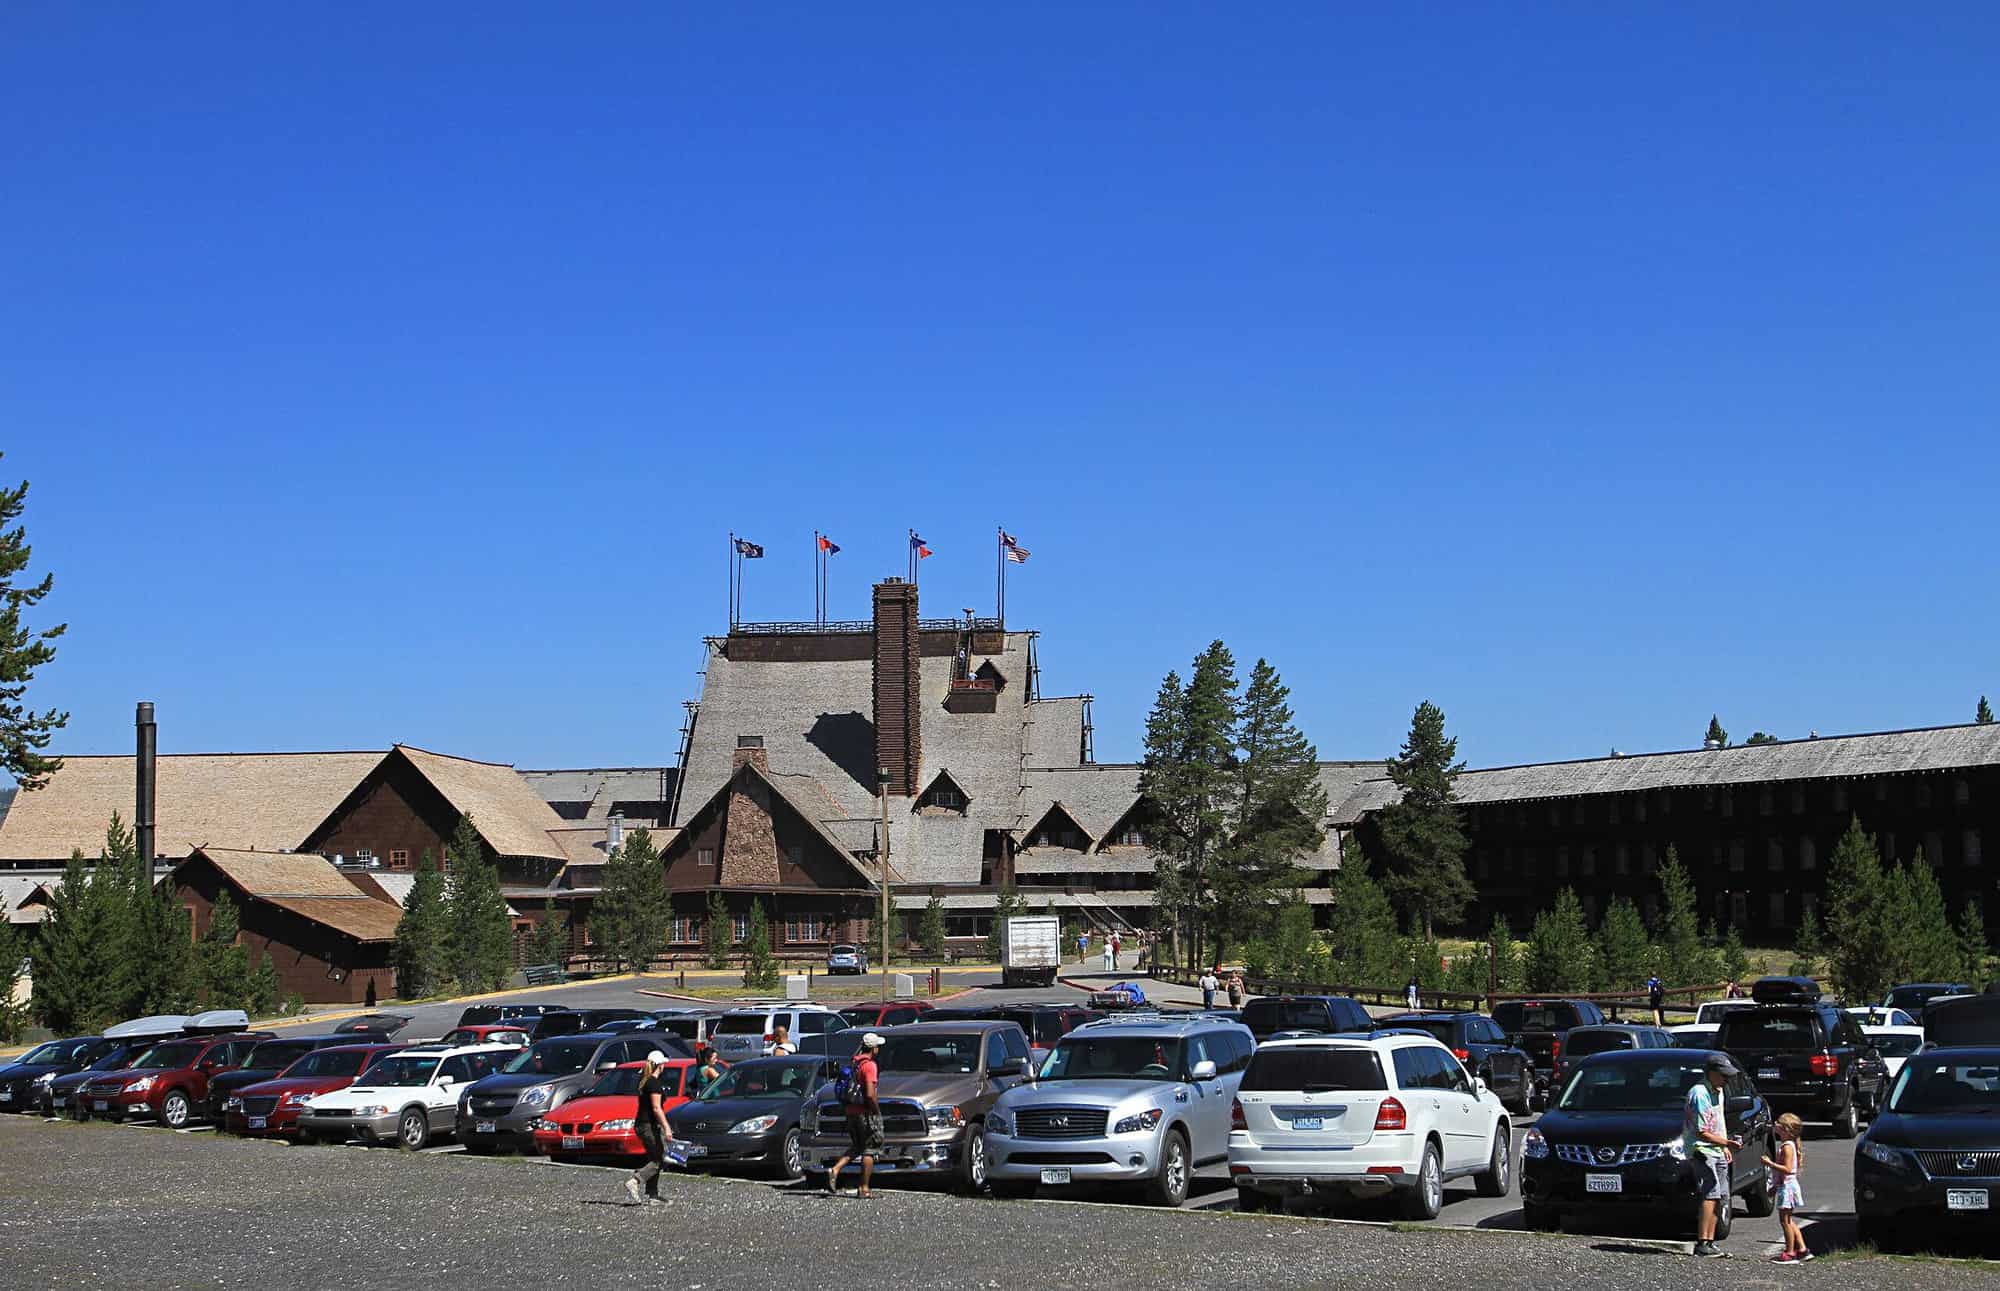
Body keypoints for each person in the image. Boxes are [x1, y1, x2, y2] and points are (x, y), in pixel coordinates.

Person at [1685, 1055, 1744, 1258]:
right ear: (1711, 1073)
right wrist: (1726, 1143)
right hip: (1702, 1149)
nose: (1727, 1080)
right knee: (1710, 1193)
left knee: (1721, 1195)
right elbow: (1701, 1131)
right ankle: (1702, 1242)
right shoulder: (1699, 1094)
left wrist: (1724, 1145)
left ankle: (1710, 1242)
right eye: (1723, 1075)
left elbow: (1718, 1121)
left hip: (1716, 1148)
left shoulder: (1718, 1091)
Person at [826, 1032, 883, 1199]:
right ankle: (864, 1188)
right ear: (873, 1048)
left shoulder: (854, 1063)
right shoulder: (869, 1065)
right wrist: (875, 1110)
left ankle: (835, 1169)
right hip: (865, 1112)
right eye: (877, 1046)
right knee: (869, 1149)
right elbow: (870, 1094)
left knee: (858, 1146)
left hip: (850, 1111)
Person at [622, 1050, 677, 1206]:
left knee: (654, 1157)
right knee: (659, 1159)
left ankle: (653, 1195)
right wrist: (667, 1127)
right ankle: (635, 1180)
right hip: (648, 1125)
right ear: (660, 1065)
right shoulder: (653, 1083)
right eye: (663, 1064)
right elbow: (656, 1108)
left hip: (642, 1124)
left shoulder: (645, 1080)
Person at [1761, 1113, 1810, 1263]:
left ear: (1786, 1129)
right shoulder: (1787, 1145)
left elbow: (1788, 1169)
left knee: (1785, 1221)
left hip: (1787, 1187)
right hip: (1785, 1186)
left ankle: (1790, 1252)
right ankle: (1802, 1249)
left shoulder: (1787, 1147)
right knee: (1789, 1220)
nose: (1775, 1124)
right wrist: (1775, 1187)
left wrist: (1770, 1163)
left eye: (1779, 1123)